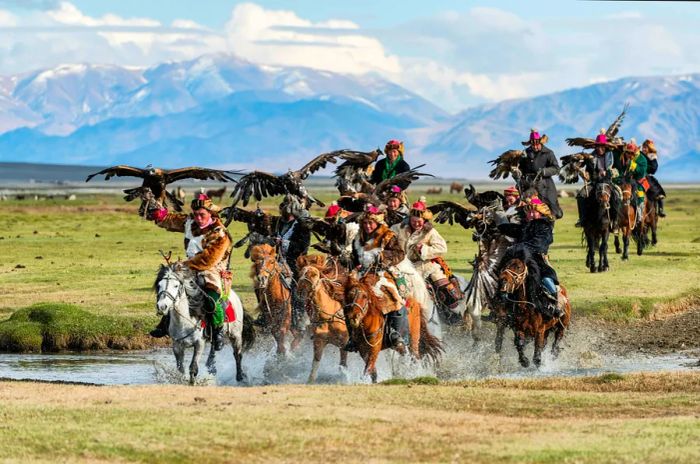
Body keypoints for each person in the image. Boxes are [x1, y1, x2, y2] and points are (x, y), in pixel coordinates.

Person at [147, 193, 232, 350]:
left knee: (211, 297)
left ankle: (217, 330)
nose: (198, 218)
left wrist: (184, 265)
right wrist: (159, 215)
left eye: (202, 215)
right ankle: (164, 323)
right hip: (188, 267)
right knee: (168, 286)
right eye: (196, 214)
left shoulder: (220, 234)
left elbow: (208, 260)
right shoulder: (190, 222)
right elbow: (172, 221)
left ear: (211, 214)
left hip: (212, 270)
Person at [346, 205, 408, 352]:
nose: (367, 226)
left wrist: (384, 257)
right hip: (362, 276)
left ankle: (396, 334)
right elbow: (355, 257)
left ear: (377, 223)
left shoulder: (388, 236)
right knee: (349, 301)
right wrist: (351, 262)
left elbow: (400, 254)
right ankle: (353, 337)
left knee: (395, 299)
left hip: (383, 274)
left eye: (370, 223)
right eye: (365, 223)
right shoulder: (358, 237)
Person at [496, 194, 563, 319]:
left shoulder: (545, 227)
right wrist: (498, 225)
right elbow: (511, 229)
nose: (530, 214)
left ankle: (557, 301)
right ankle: (500, 304)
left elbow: (538, 244)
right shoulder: (525, 226)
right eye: (528, 212)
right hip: (521, 259)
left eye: (534, 211)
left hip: (537, 259)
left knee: (545, 278)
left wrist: (519, 247)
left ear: (540, 212)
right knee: (504, 275)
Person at [392, 199, 462, 310]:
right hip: (403, 267)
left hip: (426, 266)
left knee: (445, 290)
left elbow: (442, 248)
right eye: (413, 221)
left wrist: (423, 249)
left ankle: (454, 315)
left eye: (419, 221)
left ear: (424, 220)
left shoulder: (430, 231)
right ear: (409, 219)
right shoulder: (397, 228)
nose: (416, 224)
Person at [253, 195, 311, 329]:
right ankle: (265, 312)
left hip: (295, 262)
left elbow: (303, 246)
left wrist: (284, 243)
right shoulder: (279, 222)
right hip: (277, 259)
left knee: (297, 287)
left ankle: (297, 317)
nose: (284, 211)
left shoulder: (303, 225)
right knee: (260, 282)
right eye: (283, 208)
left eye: (287, 208)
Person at [512, 129, 563, 219]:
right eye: (533, 144)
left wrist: (544, 171)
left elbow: (556, 168)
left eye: (537, 144)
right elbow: (520, 168)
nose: (535, 147)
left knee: (556, 212)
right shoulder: (524, 154)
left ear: (540, 142)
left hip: (545, 186)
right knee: (521, 210)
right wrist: (516, 172)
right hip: (528, 186)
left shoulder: (548, 153)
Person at [575, 132, 614, 227]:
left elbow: (616, 169)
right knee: (581, 195)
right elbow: (587, 170)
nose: (600, 148)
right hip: (594, 183)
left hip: (608, 182)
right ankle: (582, 219)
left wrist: (607, 173)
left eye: (602, 146)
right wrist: (584, 174)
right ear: (595, 146)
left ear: (605, 146)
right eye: (598, 146)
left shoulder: (611, 155)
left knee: (618, 195)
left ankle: (615, 220)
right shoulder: (590, 156)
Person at [613, 140, 648, 222]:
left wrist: (632, 165)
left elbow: (641, 172)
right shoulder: (622, 158)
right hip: (624, 180)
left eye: (631, 153)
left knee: (640, 196)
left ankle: (639, 212)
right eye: (628, 153)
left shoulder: (642, 159)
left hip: (638, 180)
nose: (629, 155)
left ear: (635, 152)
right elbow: (620, 171)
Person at [640, 139, 666, 217]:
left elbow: (654, 169)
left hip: (647, 177)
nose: (644, 149)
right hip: (638, 176)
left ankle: (660, 210)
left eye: (646, 147)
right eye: (643, 147)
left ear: (649, 148)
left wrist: (645, 167)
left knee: (658, 193)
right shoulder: (639, 154)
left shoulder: (651, 156)